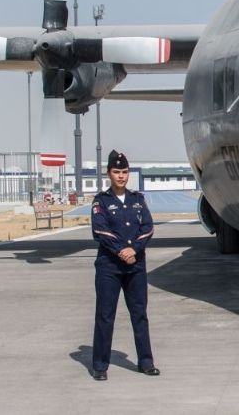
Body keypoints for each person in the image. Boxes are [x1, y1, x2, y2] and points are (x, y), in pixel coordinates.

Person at [90, 149, 159, 380]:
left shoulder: (137, 200)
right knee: (105, 315)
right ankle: (100, 365)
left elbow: (147, 227)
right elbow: (100, 230)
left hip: (135, 266)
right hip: (109, 267)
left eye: (125, 171)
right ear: (109, 174)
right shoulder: (101, 201)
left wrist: (134, 250)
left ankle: (146, 361)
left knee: (139, 314)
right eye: (116, 171)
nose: (121, 176)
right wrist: (122, 250)